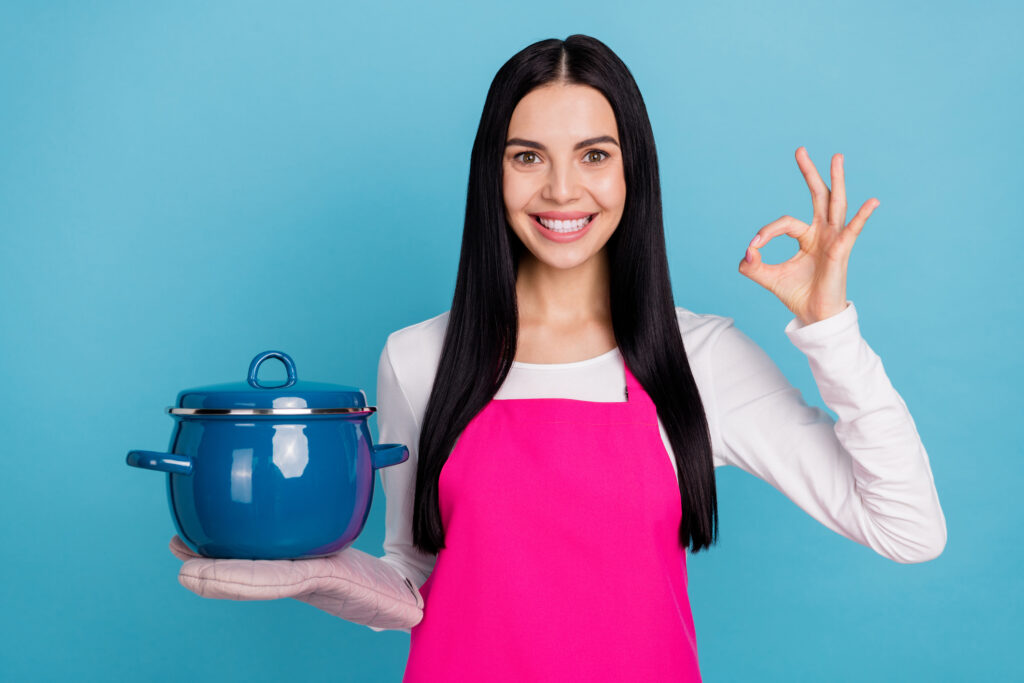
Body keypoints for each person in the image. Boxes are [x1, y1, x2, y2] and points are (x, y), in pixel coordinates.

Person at [173, 34, 946, 682]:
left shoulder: (698, 359)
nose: (563, 189)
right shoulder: (417, 358)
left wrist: (830, 330)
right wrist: (331, 577)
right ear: (493, 171)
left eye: (594, 154)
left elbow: (908, 527)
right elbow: (417, 573)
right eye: (528, 157)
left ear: (631, 169)